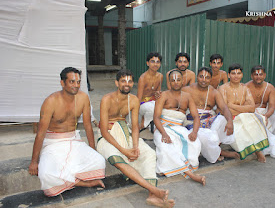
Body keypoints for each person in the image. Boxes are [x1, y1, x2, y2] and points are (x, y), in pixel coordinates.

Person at [97, 69, 174, 207]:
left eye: (130, 81)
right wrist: (124, 150)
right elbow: (103, 130)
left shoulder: (133, 100)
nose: (127, 84)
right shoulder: (106, 99)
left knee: (148, 153)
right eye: (123, 81)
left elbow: (134, 126)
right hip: (107, 135)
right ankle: (154, 190)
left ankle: (152, 196)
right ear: (117, 83)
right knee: (117, 157)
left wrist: (135, 146)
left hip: (125, 131)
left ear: (133, 83)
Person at [28, 67, 105, 197]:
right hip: (53, 143)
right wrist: (34, 161)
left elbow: (87, 126)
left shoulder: (83, 98)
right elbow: (40, 133)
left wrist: (93, 149)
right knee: (45, 174)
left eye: (78, 82)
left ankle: (67, 180)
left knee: (99, 161)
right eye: (72, 82)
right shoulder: (51, 101)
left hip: (73, 140)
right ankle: (84, 183)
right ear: (62, 83)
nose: (76, 85)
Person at [154, 69, 205, 185]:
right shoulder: (163, 95)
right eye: (173, 80)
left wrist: (194, 132)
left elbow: (196, 117)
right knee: (165, 146)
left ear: (183, 81)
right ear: (169, 83)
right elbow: (156, 118)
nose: (176, 82)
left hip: (179, 128)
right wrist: (164, 134)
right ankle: (191, 174)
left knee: (195, 143)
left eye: (178, 80)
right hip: (163, 128)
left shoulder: (187, 96)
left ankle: (175, 168)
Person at [182, 67, 239, 162]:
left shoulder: (214, 92)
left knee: (223, 120)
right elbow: (172, 96)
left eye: (207, 77)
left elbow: (224, 108)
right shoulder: (187, 90)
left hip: (209, 120)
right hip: (192, 122)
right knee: (202, 136)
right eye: (201, 76)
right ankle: (220, 152)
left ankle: (214, 147)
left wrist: (230, 121)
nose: (204, 80)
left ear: (211, 79)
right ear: (197, 77)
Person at [219, 64, 269, 163]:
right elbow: (224, 109)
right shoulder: (223, 88)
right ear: (229, 75)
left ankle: (257, 150)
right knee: (243, 122)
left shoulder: (245, 88)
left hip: (243, 116)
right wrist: (242, 108)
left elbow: (252, 108)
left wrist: (232, 105)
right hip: (228, 117)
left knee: (258, 118)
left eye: (238, 73)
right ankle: (256, 150)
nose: (236, 76)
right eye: (233, 73)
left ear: (242, 75)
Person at [137, 52, 163, 130]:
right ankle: (144, 123)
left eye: (157, 62)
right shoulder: (143, 78)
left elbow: (158, 93)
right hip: (142, 103)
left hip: (153, 101)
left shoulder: (160, 76)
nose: (155, 64)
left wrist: (159, 96)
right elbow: (138, 98)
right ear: (147, 63)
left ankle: (152, 122)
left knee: (163, 107)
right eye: (152, 62)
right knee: (151, 108)